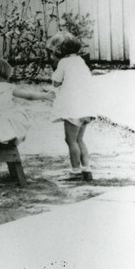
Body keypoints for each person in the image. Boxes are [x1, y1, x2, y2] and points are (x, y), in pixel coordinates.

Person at [47, 32, 97, 182]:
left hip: (73, 109)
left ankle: (75, 171)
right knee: (80, 140)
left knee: (71, 141)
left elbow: (55, 82)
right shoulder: (80, 61)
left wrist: (55, 69)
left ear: (59, 50)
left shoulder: (63, 63)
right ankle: (86, 170)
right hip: (86, 108)